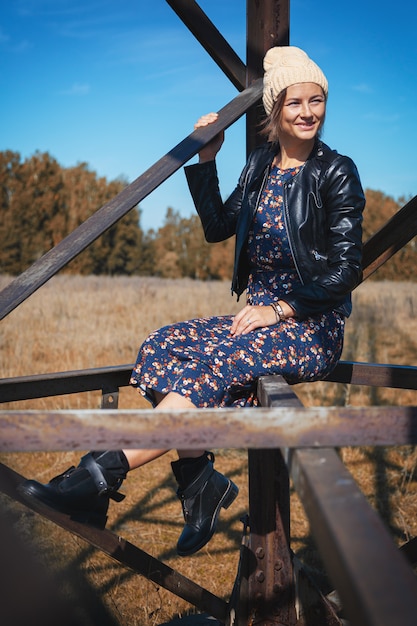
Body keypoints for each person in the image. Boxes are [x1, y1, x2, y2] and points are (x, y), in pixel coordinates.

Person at [18, 46, 365, 557]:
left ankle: (96, 475)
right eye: (296, 102)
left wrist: (282, 309)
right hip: (259, 316)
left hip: (310, 322)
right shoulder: (260, 167)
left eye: (317, 101)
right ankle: (198, 474)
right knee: (162, 346)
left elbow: (346, 269)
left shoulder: (336, 171)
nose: (308, 112)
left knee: (219, 364)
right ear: (275, 109)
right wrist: (208, 157)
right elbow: (217, 228)